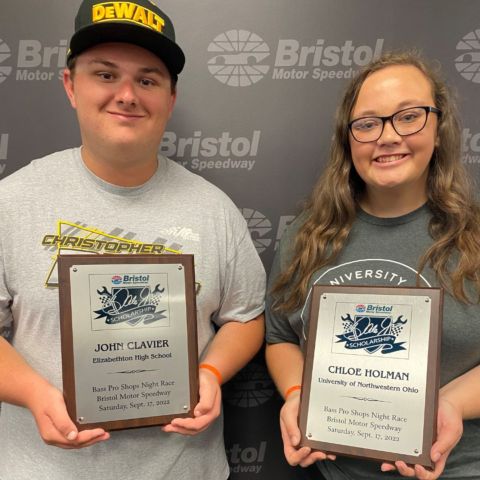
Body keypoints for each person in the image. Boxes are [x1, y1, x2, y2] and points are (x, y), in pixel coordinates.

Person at [0, 1, 265, 479]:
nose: (127, 94)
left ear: (170, 98)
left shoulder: (213, 209)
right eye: (105, 75)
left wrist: (210, 374)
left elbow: (246, 317)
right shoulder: (11, 201)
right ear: (70, 85)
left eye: (147, 80)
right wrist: (35, 395)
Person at [265, 50, 480, 480]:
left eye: (408, 116)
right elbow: (279, 337)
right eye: (367, 123)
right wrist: (297, 395)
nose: (387, 136)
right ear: (349, 140)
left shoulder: (474, 236)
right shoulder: (308, 235)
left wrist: (450, 404)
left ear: (438, 130)